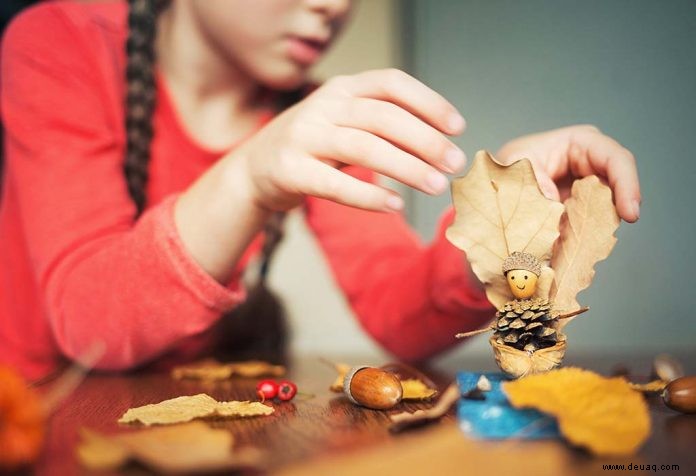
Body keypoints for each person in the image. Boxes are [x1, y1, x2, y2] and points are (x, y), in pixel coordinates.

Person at [0, 0, 640, 381]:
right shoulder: (58, 43)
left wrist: (510, 227)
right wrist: (250, 176)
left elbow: (401, 312)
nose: (334, 5)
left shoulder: (310, 111)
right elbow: (89, 324)